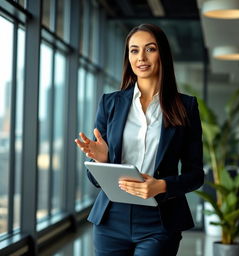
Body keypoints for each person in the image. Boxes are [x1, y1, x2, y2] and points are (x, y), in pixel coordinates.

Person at [75, 23, 204, 256]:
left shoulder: (186, 107)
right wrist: (101, 160)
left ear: (162, 53)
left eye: (150, 49)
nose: (141, 57)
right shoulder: (110, 103)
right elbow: (95, 179)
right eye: (134, 50)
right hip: (110, 219)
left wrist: (161, 186)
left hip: (159, 220)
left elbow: (195, 175)